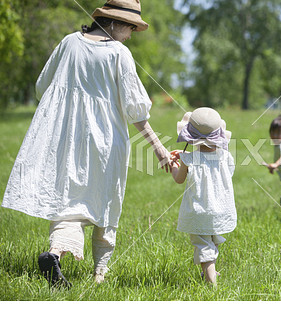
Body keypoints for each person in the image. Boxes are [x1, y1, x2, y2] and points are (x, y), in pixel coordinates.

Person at [1, 0, 172, 287]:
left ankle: (55, 253)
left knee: (68, 201)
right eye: (131, 27)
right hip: (106, 141)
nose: (131, 34)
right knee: (105, 203)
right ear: (115, 23)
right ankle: (99, 275)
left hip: (66, 137)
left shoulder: (69, 42)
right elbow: (135, 110)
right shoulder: (119, 53)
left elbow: (43, 86)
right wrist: (159, 148)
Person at [170, 107, 237, 285]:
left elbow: (179, 179)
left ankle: (211, 283)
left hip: (200, 209)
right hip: (220, 208)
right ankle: (210, 272)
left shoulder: (189, 160)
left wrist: (174, 164)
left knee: (203, 244)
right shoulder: (226, 157)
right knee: (211, 240)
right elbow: (227, 174)